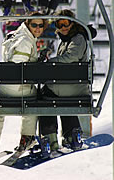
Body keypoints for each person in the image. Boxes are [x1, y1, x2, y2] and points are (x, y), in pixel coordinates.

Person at [0, 11, 48, 159]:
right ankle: (28, 138)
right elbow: (18, 64)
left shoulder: (14, 35)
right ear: (27, 23)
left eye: (41, 25)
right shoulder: (25, 40)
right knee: (33, 104)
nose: (37, 28)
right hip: (19, 88)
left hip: (3, 88)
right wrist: (37, 64)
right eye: (34, 25)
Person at [39, 9, 94, 154]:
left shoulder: (78, 38)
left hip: (74, 87)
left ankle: (50, 138)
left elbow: (71, 58)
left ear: (72, 23)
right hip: (73, 86)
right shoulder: (69, 39)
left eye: (66, 23)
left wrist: (50, 62)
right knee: (63, 99)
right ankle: (71, 135)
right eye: (60, 24)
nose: (63, 27)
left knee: (43, 97)